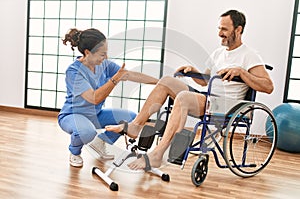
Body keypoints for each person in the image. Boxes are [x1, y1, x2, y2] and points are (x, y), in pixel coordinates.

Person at [104, 10, 274, 170]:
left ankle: (157, 154)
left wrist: (242, 72)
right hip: (209, 99)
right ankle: (135, 126)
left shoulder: (249, 55)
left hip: (228, 106)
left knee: (184, 97)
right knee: (166, 81)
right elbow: (205, 81)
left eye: (224, 29)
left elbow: (268, 86)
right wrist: (193, 71)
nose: (219, 33)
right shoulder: (218, 53)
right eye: (219, 28)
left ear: (238, 29)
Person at [58, 28, 158, 167]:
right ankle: (75, 152)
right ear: (87, 53)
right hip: (73, 115)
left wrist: (159, 82)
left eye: (106, 53)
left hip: (96, 114)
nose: (105, 57)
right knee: (87, 132)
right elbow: (94, 98)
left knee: (131, 118)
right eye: (102, 54)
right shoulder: (74, 72)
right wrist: (115, 79)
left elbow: (129, 75)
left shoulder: (104, 65)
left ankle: (100, 142)